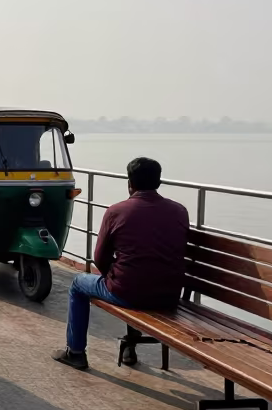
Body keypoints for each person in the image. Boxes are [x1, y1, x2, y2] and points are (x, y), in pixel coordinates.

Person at [53, 157, 189, 370]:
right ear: (159, 182)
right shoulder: (180, 210)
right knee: (134, 273)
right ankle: (130, 347)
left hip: (127, 292)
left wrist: (111, 276)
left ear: (130, 184)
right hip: (169, 295)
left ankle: (76, 352)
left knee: (79, 284)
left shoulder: (117, 211)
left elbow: (99, 257)